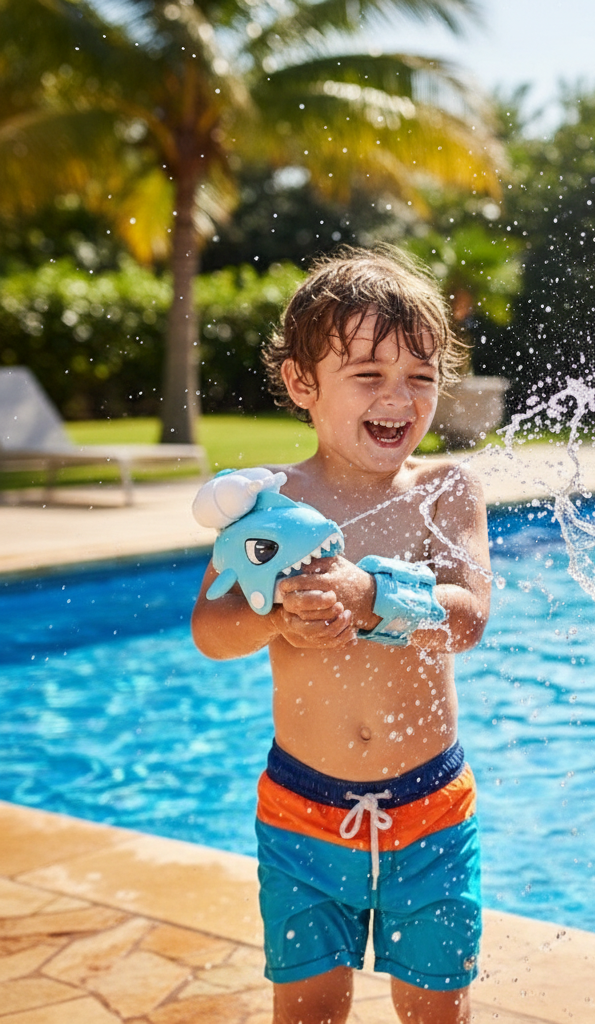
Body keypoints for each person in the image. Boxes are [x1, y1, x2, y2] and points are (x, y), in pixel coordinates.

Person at [192, 246, 491, 1024]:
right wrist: (273, 615)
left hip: (430, 814)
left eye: (420, 378)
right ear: (302, 384)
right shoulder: (267, 503)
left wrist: (372, 597)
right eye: (368, 374)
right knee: (308, 1010)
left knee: (436, 1010)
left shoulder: (445, 491)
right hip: (301, 816)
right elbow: (211, 631)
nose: (399, 397)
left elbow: (469, 618)